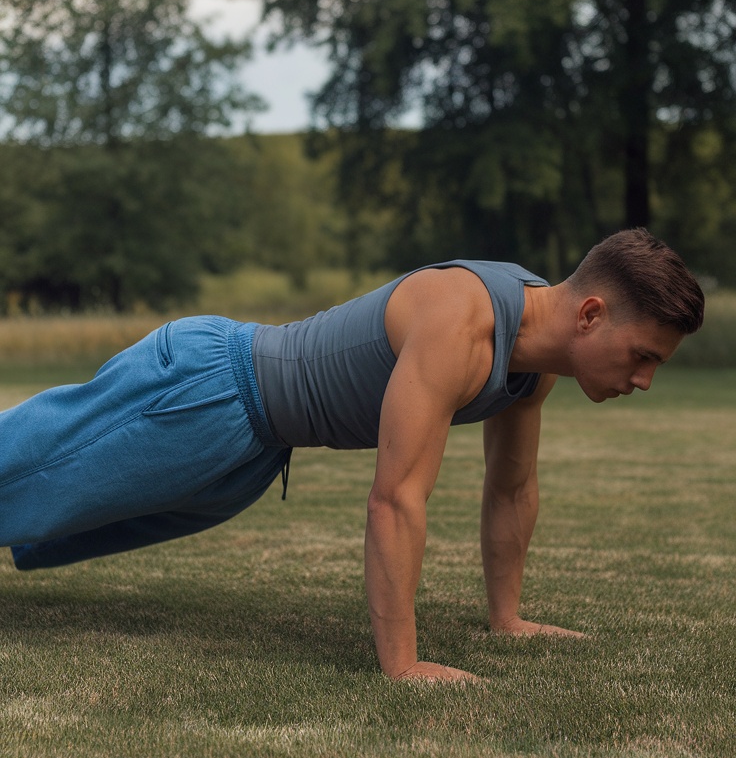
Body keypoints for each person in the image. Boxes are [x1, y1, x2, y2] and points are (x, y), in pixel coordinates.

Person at [0, 228, 703, 681]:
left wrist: (508, 620)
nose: (643, 380)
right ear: (590, 314)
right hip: (208, 388)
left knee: (59, 512)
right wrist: (403, 666)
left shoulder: (533, 362)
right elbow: (396, 497)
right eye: (642, 356)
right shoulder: (463, 319)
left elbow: (511, 488)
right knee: (20, 467)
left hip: (251, 449)